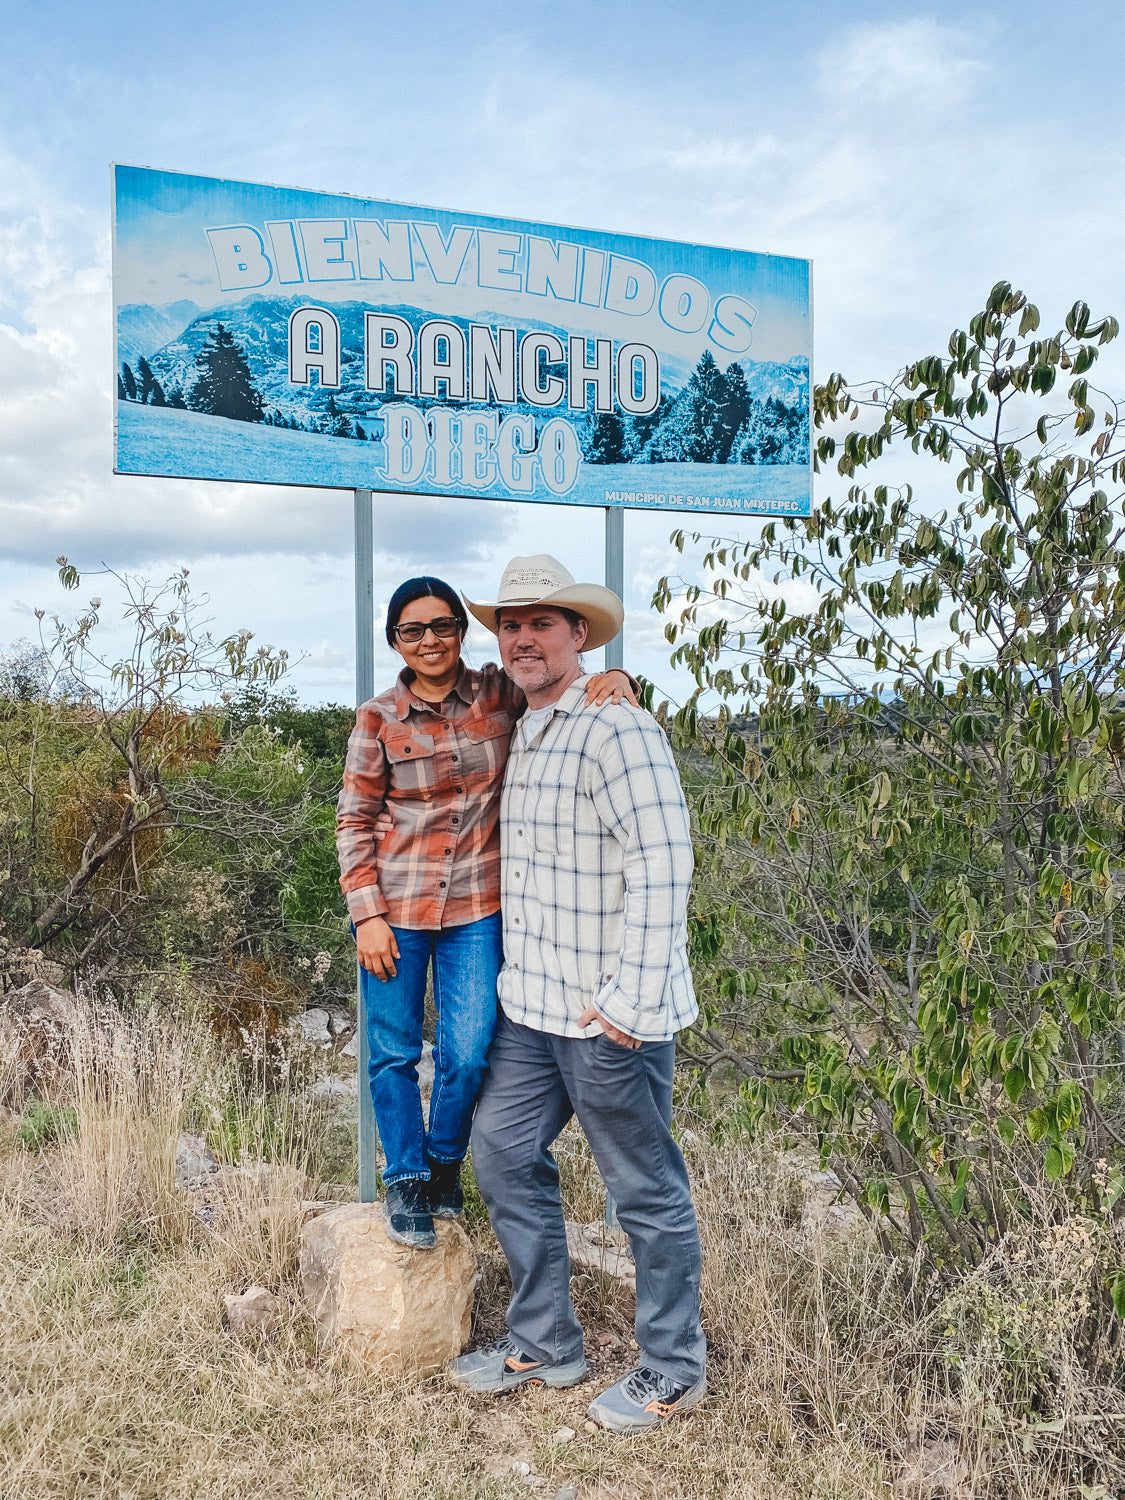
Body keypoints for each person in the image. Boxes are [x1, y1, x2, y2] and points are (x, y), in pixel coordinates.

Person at [447, 554, 706, 1436]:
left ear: (578, 636)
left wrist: (631, 1002)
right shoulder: (523, 720)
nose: (521, 637)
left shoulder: (616, 729)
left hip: (608, 1013)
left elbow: (664, 862)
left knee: (643, 1190)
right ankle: (546, 1341)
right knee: (502, 1152)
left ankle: (673, 1367)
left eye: (541, 623)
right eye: (509, 624)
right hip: (535, 1006)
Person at [335, 574, 635, 1251]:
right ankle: (407, 1178)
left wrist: (618, 678)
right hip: (397, 912)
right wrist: (367, 916)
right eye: (413, 630)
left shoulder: (496, 693)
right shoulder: (376, 718)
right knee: (392, 1053)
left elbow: (558, 682)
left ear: (460, 634)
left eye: (442, 626)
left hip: (476, 907)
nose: (430, 640)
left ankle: (444, 1161)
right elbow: (353, 821)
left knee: (468, 1054)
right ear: (395, 641)